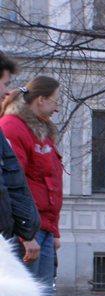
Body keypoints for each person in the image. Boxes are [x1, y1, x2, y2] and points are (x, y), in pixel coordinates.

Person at [0, 74, 69, 296]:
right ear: (40, 100)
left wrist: (52, 230)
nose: (57, 107)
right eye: (55, 100)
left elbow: (51, 184)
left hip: (43, 231)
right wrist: (26, 233)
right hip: (24, 234)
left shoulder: (41, 132)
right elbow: (16, 188)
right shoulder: (13, 129)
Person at [0, 52, 40, 242]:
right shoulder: (10, 126)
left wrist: (26, 224)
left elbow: (13, 181)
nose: (6, 93)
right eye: (5, 84)